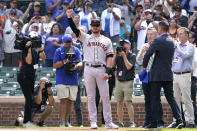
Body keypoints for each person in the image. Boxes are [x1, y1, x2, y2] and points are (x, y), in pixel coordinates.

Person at [66, 9, 119, 129]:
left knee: (105, 97)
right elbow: (75, 30)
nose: (95, 27)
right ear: (90, 26)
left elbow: (110, 57)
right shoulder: (85, 37)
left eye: (97, 25)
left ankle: (108, 122)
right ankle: (93, 122)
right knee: (90, 97)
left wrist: (108, 71)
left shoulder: (107, 40)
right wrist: (69, 17)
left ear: (100, 26)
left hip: (101, 69)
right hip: (88, 68)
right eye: (93, 25)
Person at [142, 21, 183, 129]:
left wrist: (144, 66)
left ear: (160, 29)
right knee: (171, 98)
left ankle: (156, 122)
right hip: (168, 73)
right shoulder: (172, 41)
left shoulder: (158, 40)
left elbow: (148, 54)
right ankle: (179, 119)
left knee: (155, 99)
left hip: (156, 75)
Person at [17, 31, 45, 127]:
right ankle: (26, 122)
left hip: (31, 76)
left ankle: (27, 121)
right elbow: (28, 62)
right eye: (32, 41)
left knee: (30, 99)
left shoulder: (36, 50)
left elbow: (43, 58)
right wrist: (28, 48)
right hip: (24, 75)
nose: (34, 42)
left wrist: (41, 49)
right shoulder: (25, 49)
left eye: (35, 41)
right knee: (29, 99)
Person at [53, 34, 82, 127]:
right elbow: (55, 65)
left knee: (70, 101)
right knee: (63, 100)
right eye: (66, 42)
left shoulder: (76, 50)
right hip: (61, 78)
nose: (68, 44)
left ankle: (66, 121)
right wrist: (65, 61)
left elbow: (81, 62)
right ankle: (61, 122)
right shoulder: (58, 50)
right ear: (63, 42)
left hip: (73, 78)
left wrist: (76, 66)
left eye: (69, 42)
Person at [137, 27, 164, 128]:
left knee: (156, 99)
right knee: (147, 99)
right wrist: (142, 52)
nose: (149, 36)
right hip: (146, 74)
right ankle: (148, 122)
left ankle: (159, 121)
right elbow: (139, 61)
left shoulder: (159, 45)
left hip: (156, 74)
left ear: (156, 35)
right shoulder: (144, 45)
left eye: (151, 34)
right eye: (148, 34)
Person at [171, 27, 196, 128]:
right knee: (175, 99)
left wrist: (176, 47)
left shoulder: (190, 47)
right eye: (178, 34)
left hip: (185, 75)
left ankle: (191, 122)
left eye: (181, 34)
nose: (179, 36)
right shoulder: (175, 47)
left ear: (187, 35)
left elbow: (185, 56)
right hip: (175, 75)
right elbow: (172, 60)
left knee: (187, 99)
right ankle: (177, 120)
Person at [112, 40, 136, 127]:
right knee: (119, 102)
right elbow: (112, 65)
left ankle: (132, 122)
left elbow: (129, 66)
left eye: (125, 44)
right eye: (122, 44)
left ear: (129, 46)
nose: (124, 46)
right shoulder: (118, 55)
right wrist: (115, 54)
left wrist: (124, 56)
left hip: (128, 81)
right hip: (119, 81)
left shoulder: (132, 55)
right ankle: (120, 122)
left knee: (128, 102)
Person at [189, 31, 197, 125]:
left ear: (193, 38)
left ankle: (194, 121)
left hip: (192, 77)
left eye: (190, 37)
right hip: (183, 77)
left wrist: (190, 73)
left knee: (192, 100)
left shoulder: (195, 50)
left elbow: (194, 63)